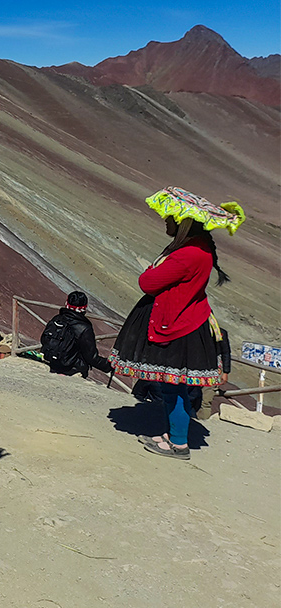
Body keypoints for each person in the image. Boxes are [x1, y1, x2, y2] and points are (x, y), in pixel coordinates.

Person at [111, 187, 244, 461]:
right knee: (174, 385)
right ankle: (173, 435)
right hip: (186, 319)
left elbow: (147, 283)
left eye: (170, 217)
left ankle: (179, 444)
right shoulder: (199, 248)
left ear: (183, 222)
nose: (166, 221)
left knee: (174, 385)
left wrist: (153, 267)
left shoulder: (187, 254)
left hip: (176, 324)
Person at [40, 291, 112, 378]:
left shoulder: (57, 319)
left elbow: (44, 339)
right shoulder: (84, 328)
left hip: (52, 365)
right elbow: (91, 357)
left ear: (67, 303)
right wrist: (109, 366)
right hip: (73, 370)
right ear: (84, 308)